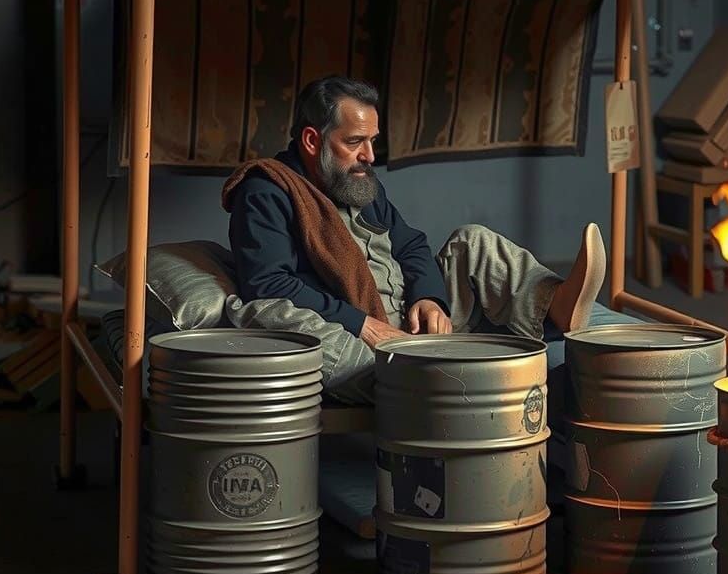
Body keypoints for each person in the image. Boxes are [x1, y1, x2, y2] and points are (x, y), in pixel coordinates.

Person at [222, 75, 607, 400]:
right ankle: (432, 379)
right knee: (268, 314)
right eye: (355, 141)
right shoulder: (266, 192)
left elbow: (410, 245)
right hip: (356, 335)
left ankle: (556, 306)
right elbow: (267, 283)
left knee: (472, 241)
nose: (369, 156)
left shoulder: (358, 182)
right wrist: (362, 324)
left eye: (372, 140)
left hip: (408, 322)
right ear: (311, 140)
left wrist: (428, 298)